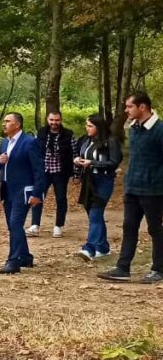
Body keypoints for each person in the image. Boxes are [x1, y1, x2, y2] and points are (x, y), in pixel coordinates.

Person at [99, 92, 163, 283]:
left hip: (154, 190)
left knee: (155, 229)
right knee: (129, 227)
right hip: (132, 188)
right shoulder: (133, 128)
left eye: (129, 106)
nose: (126, 110)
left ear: (142, 107)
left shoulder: (160, 130)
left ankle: (158, 269)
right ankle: (122, 268)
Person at [0, 112, 46, 274]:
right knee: (12, 225)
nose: (4, 124)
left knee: (16, 223)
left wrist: (37, 193)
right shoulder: (4, 142)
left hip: (23, 191)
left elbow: (39, 170)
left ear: (17, 124)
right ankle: (25, 257)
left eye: (8, 121)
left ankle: (13, 261)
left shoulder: (30, 142)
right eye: (4, 121)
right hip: (7, 190)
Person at [73, 114, 122, 261]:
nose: (86, 128)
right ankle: (103, 247)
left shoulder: (111, 141)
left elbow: (114, 162)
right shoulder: (86, 140)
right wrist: (77, 160)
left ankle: (90, 248)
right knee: (93, 213)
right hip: (88, 180)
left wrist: (93, 163)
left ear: (98, 127)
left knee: (95, 212)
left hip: (104, 180)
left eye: (90, 126)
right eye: (86, 125)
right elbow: (80, 154)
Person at [27, 111, 76, 238]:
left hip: (60, 171)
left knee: (61, 198)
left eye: (57, 120)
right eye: (52, 120)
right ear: (47, 120)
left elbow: (75, 154)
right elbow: (36, 150)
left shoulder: (68, 134)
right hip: (44, 171)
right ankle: (35, 225)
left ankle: (58, 226)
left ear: (61, 120)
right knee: (38, 195)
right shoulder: (42, 132)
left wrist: (76, 173)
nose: (54, 123)